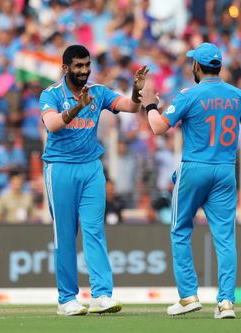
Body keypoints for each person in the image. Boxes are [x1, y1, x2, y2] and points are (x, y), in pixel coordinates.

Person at [139, 43, 241, 319]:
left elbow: (157, 127)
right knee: (225, 238)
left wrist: (150, 104)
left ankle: (188, 296)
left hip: (195, 168)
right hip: (226, 169)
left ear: (197, 67)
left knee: (181, 229)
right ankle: (226, 302)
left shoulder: (189, 95)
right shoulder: (236, 94)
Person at [39, 44, 148, 316]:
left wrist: (137, 90)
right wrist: (78, 107)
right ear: (65, 68)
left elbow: (132, 107)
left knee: (94, 231)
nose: (84, 71)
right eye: (78, 66)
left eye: (87, 65)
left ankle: (101, 295)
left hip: (91, 169)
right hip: (60, 168)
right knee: (65, 235)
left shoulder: (98, 92)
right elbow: (51, 125)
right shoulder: (51, 94)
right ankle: (67, 299)